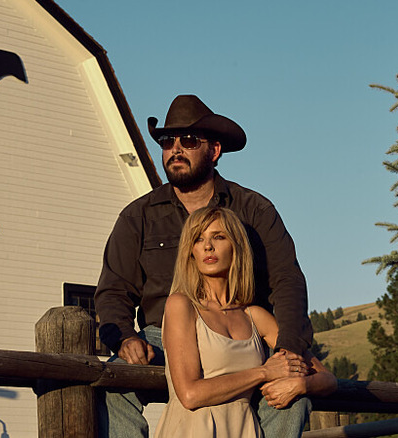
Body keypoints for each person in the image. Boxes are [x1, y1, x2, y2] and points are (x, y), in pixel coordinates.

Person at [95, 94, 314, 437]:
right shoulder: (138, 216)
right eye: (168, 142)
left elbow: (287, 281)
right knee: (113, 384)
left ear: (214, 151)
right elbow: (113, 290)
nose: (175, 149)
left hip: (241, 331)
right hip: (164, 337)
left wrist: (286, 350)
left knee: (292, 397)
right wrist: (123, 337)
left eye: (189, 140)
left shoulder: (254, 210)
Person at [155, 206, 337, 437]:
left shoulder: (254, 316)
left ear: (236, 246)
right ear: (190, 251)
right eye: (198, 239)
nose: (208, 246)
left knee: (299, 401)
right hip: (193, 429)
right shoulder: (182, 305)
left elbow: (328, 379)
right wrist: (264, 372)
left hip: (245, 430)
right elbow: (190, 395)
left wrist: (301, 385)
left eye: (218, 237)